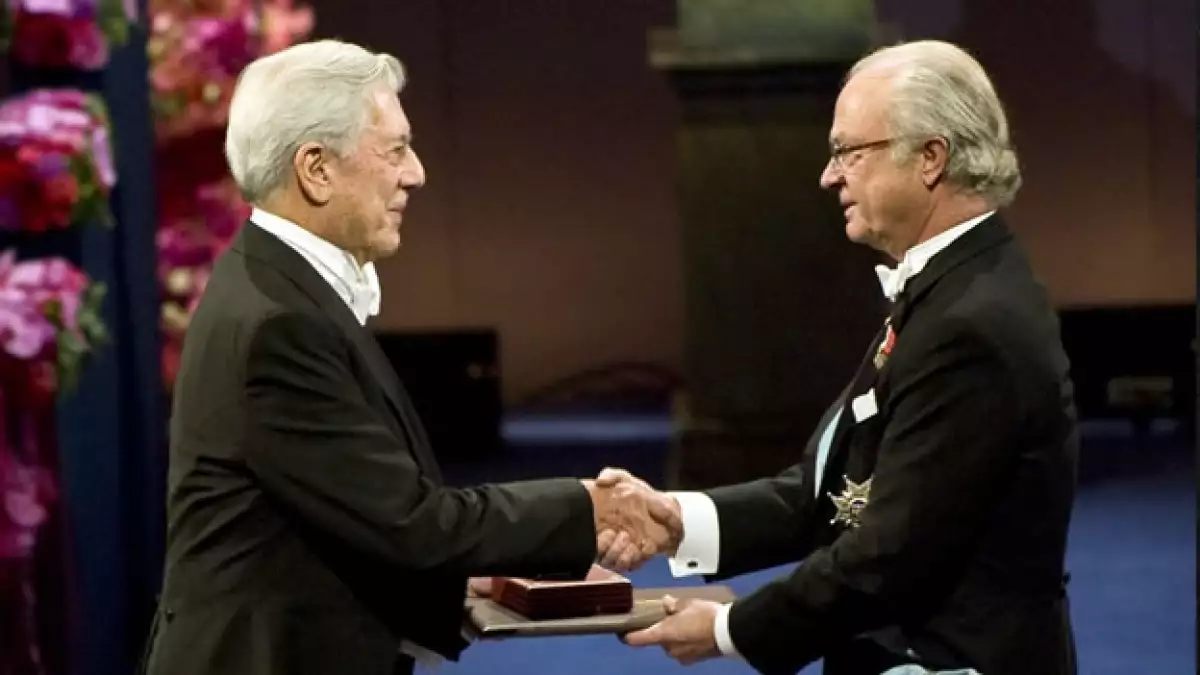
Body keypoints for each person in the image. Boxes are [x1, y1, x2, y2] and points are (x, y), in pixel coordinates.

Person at [142, 39, 679, 675]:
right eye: (395, 149)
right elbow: (411, 524)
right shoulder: (279, 325)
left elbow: (359, 517)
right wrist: (587, 506)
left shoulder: (276, 288)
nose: (416, 172)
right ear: (316, 168)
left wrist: (488, 566)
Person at [602, 40, 1080, 675]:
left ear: (930, 158)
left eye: (849, 151)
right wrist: (678, 520)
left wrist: (728, 628)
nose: (830, 175)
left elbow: (894, 551)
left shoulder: (973, 322)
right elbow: (830, 494)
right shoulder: (947, 289)